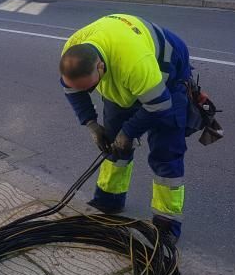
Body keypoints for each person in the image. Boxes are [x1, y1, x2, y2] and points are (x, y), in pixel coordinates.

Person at [59, 14, 192, 242]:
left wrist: (128, 132)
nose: (90, 90)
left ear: (101, 67)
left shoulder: (134, 63)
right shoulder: (72, 52)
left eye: (92, 86)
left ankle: (167, 223)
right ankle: (109, 201)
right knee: (112, 145)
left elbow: (160, 105)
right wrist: (91, 124)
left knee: (165, 154)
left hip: (165, 77)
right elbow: (73, 90)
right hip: (122, 79)